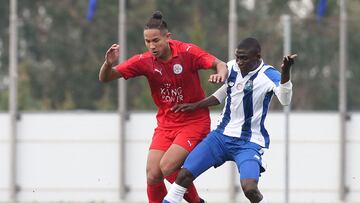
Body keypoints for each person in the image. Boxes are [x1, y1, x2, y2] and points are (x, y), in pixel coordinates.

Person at [99, 11, 228, 203]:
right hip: (166, 124)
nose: (152, 46)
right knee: (153, 174)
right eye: (147, 41)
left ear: (168, 37)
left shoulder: (187, 52)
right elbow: (106, 78)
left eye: (156, 40)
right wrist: (108, 64)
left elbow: (220, 64)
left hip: (194, 121)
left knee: (167, 166)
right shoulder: (143, 61)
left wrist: (220, 74)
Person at [162, 37, 296, 203]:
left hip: (248, 142)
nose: (239, 61)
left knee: (250, 189)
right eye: (237, 57)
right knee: (184, 175)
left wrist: (285, 73)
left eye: (244, 58)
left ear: (257, 56)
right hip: (220, 137)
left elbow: (285, 100)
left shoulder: (269, 75)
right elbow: (223, 93)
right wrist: (196, 105)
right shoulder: (232, 66)